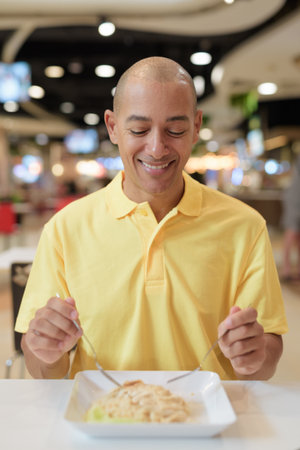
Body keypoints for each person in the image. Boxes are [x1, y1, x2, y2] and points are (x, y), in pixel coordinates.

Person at [15, 57, 288, 381]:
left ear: (196, 126)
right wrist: (45, 350)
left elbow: (267, 353)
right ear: (113, 127)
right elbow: (41, 368)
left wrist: (254, 355)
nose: (157, 148)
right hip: (102, 419)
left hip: (209, 421)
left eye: (175, 129)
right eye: (139, 129)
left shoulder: (245, 226)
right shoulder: (65, 228)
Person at [281, 154, 300, 281]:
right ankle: (286, 269)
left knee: (295, 234)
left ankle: (295, 268)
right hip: (295, 199)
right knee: (292, 232)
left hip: (294, 197)